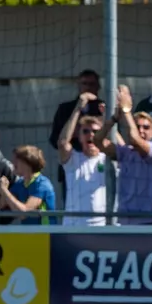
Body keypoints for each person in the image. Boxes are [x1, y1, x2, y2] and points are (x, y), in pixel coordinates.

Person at [94, 87, 152, 225]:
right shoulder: (126, 153)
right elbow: (98, 141)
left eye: (146, 127)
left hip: (150, 221)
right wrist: (113, 119)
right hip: (126, 221)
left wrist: (126, 110)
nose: (141, 130)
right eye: (137, 126)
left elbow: (135, 139)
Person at [57, 92, 108, 226]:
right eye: (85, 131)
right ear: (79, 137)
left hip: (102, 227)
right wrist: (78, 108)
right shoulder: (73, 159)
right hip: (74, 227)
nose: (90, 134)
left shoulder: (108, 160)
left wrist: (108, 118)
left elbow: (122, 149)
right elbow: (62, 143)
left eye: (95, 132)